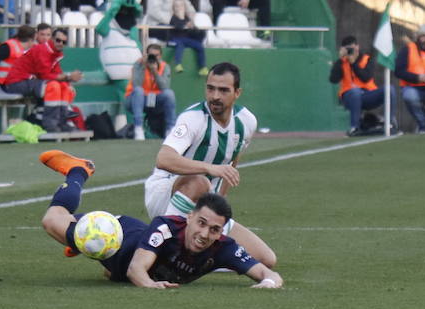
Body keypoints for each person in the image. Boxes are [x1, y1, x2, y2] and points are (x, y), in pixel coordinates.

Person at [37, 151, 282, 288]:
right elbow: (136, 270)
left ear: (222, 233)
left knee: (113, 276)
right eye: (201, 223)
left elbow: (267, 273)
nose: (205, 234)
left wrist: (267, 284)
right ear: (190, 217)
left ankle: (84, 249)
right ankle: (79, 170)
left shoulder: (222, 247)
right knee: (52, 220)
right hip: (117, 240)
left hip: (123, 266)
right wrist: (150, 286)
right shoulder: (165, 228)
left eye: (215, 229)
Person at [142, 62, 276, 268]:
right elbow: (164, 159)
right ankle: (164, 249)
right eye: (210, 88)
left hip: (202, 207)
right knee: (200, 182)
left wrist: (218, 203)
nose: (215, 96)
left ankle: (199, 260)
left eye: (223, 90)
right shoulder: (193, 118)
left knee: (266, 260)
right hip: (165, 192)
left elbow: (233, 160)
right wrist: (209, 168)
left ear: (237, 93)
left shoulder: (246, 121)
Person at [1, 27, 83, 131]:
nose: (61, 43)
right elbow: (45, 76)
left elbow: (57, 74)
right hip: (16, 83)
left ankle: (62, 121)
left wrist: (67, 81)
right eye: (58, 40)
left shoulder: (55, 53)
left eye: (64, 42)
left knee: (64, 87)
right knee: (53, 86)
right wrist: (68, 77)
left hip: (29, 82)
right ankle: (50, 124)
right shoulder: (43, 50)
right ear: (52, 39)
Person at [147, 0, 206, 74]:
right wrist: (173, 20)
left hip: (177, 25)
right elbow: (154, 11)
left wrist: (190, 21)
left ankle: (201, 65)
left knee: (200, 33)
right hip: (158, 26)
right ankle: (178, 57)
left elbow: (190, 8)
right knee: (175, 31)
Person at [330, 36, 384, 136]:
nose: (351, 51)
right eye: (348, 49)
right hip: (349, 95)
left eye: (352, 48)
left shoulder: (366, 59)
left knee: (389, 90)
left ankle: (390, 123)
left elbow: (366, 78)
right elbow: (333, 79)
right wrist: (340, 60)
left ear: (357, 47)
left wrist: (353, 63)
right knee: (355, 92)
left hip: (368, 94)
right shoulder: (341, 62)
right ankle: (354, 127)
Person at [125, 42, 177, 139]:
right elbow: (136, 85)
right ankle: (138, 128)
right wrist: (144, 66)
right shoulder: (138, 64)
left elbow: (164, 87)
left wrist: (155, 72)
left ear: (160, 56)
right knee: (138, 91)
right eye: (151, 55)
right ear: (146, 55)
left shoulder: (164, 67)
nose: (154, 58)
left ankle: (170, 129)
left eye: (156, 55)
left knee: (169, 93)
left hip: (155, 100)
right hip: (135, 100)